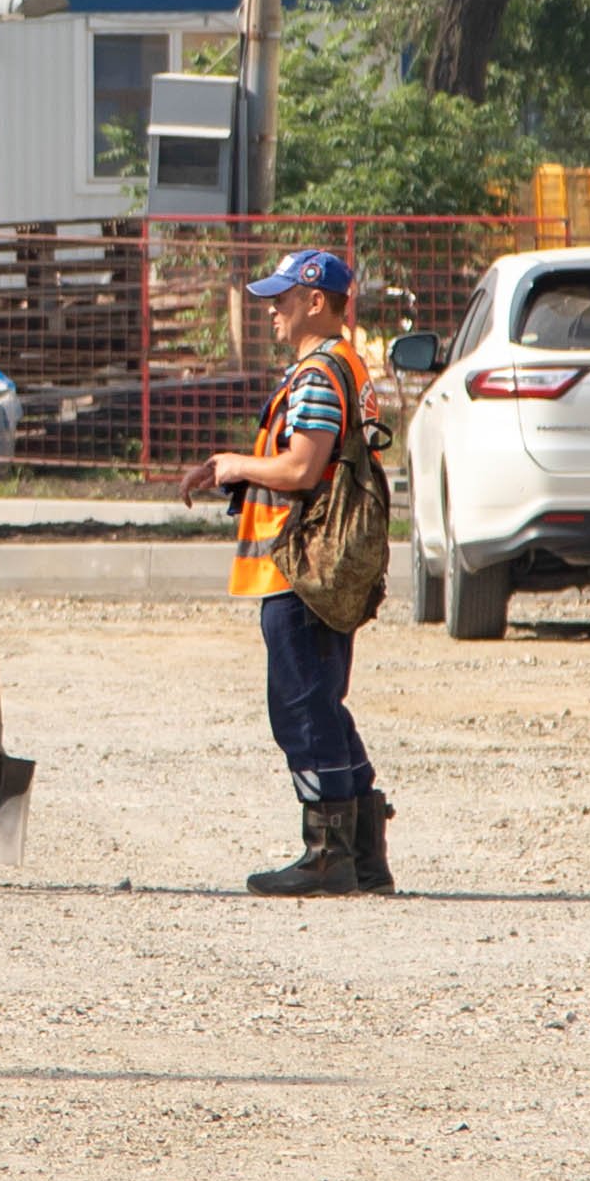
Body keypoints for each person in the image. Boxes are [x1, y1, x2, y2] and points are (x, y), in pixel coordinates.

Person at [183, 241, 393, 894]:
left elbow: (302, 466)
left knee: (300, 707)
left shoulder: (316, 376)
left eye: (281, 298)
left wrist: (233, 464)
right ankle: (363, 852)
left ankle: (328, 855)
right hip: (320, 564)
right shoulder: (345, 366)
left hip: (299, 567)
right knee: (319, 702)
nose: (271, 309)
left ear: (316, 301)